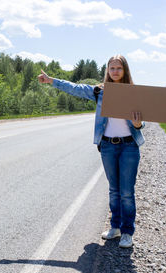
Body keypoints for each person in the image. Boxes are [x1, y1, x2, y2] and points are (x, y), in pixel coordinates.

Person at [37, 54, 145, 248]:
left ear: (125, 70)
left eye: (118, 68)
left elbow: (142, 119)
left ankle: (127, 232)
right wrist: (51, 81)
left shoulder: (135, 92)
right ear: (107, 71)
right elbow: (75, 88)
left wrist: (138, 124)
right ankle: (115, 227)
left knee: (126, 192)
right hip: (107, 146)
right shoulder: (99, 91)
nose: (115, 72)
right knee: (114, 190)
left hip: (129, 146)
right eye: (111, 68)